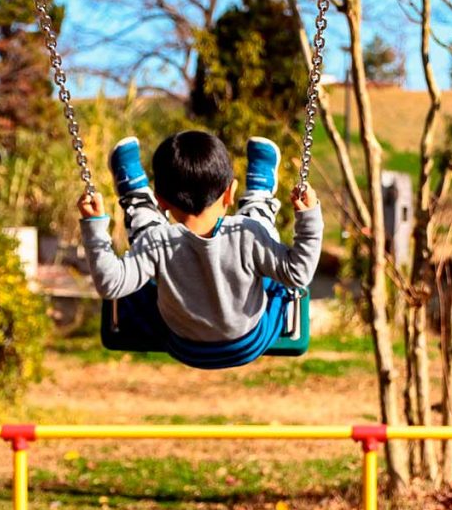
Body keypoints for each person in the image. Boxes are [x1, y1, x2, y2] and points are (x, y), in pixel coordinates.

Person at [78, 130, 322, 368]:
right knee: (258, 225)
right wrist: (308, 216)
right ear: (229, 194)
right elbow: (298, 274)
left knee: (148, 233)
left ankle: (136, 195)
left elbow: (110, 284)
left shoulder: (158, 241)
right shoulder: (248, 234)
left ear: (161, 201)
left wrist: (93, 226)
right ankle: (259, 194)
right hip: (248, 342)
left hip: (184, 345)